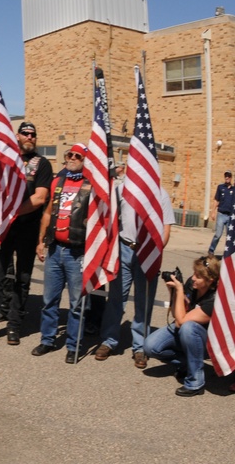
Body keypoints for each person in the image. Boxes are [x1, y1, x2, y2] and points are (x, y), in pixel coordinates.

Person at [0, 121, 53, 346]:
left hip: (28, 229)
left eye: (33, 134)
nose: (30, 137)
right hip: (4, 229)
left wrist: (8, 212)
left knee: (23, 278)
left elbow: (39, 198)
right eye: (26, 133)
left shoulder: (42, 164)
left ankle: (14, 325)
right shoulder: (6, 162)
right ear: (17, 136)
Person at [95, 163, 176, 366]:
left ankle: (139, 347)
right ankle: (109, 340)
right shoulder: (123, 189)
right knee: (116, 298)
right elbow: (109, 213)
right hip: (124, 248)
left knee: (144, 302)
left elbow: (166, 229)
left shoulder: (161, 195)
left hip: (147, 253)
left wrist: (155, 252)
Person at [31, 145, 92, 363]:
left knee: (77, 303)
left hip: (78, 252)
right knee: (49, 300)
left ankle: (73, 345)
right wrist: (41, 241)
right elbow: (47, 213)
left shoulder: (92, 185)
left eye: (78, 156)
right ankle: (47, 340)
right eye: (70, 155)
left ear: (86, 160)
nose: (73, 158)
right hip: (55, 249)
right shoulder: (58, 181)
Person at [144, 255, 220, 396]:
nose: (193, 278)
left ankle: (195, 382)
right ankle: (187, 362)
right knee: (150, 346)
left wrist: (179, 290)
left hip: (207, 343)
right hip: (187, 335)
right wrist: (173, 292)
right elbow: (176, 313)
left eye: (198, 276)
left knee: (188, 327)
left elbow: (181, 321)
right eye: (193, 273)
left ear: (210, 281)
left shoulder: (215, 300)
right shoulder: (192, 285)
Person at [208, 170, 234, 255]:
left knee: (229, 237)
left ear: (231, 177)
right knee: (218, 234)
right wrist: (213, 212)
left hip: (230, 216)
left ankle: (228, 253)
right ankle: (211, 250)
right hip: (221, 214)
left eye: (229, 176)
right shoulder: (221, 187)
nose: (227, 177)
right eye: (226, 176)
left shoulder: (234, 189)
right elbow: (216, 200)